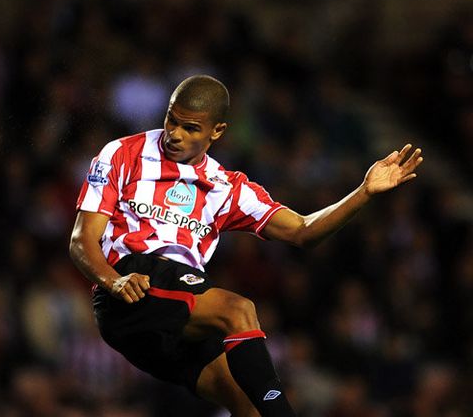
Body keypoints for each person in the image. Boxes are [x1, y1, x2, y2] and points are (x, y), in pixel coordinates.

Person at [68, 75, 423, 417]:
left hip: (170, 320)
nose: (174, 134)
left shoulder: (227, 187)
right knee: (238, 310)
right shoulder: (122, 154)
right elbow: (82, 240)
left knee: (248, 403)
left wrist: (363, 194)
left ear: (216, 131)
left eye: (190, 128)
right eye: (171, 121)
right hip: (132, 286)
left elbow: (303, 230)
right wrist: (113, 280)